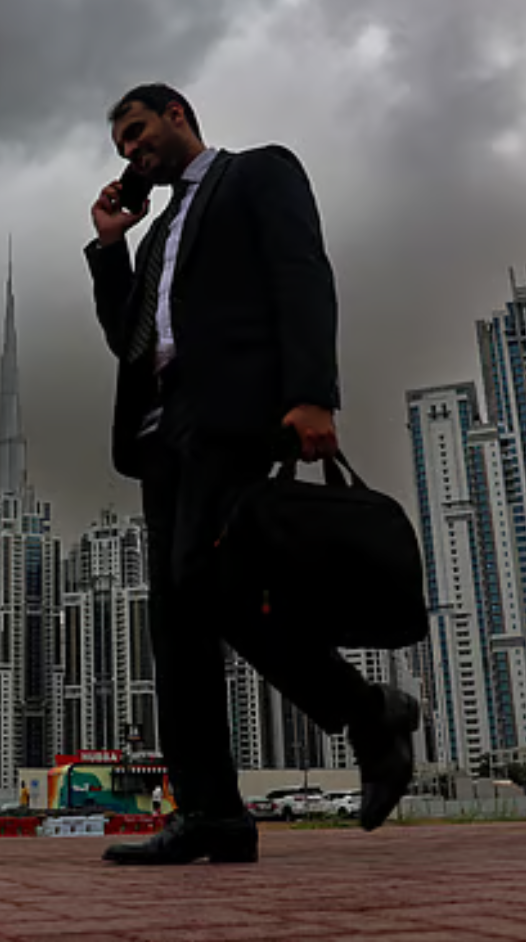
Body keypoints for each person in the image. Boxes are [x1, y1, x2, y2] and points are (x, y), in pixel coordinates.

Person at [84, 84, 420, 866]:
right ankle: (214, 813)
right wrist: (109, 246)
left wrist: (311, 392)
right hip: (160, 433)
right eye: (122, 145)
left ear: (176, 114)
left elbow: (301, 273)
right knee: (178, 624)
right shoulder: (156, 234)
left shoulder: (258, 172)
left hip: (231, 413)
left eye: (138, 131)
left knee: (203, 583)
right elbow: (127, 338)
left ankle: (364, 710)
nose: (132, 151)